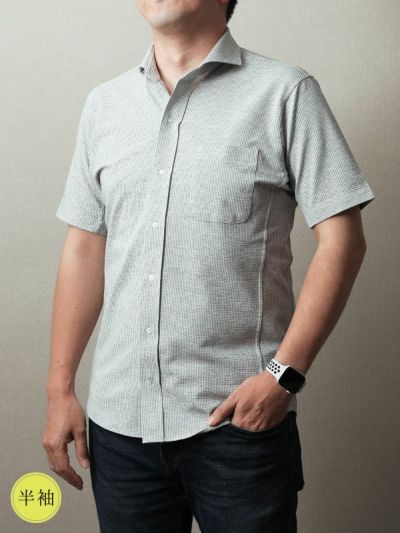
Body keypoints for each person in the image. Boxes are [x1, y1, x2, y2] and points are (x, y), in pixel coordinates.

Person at [42, 1, 376, 531]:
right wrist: (59, 389)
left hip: (239, 428)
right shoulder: (105, 105)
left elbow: (343, 242)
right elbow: (84, 248)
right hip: (120, 428)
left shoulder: (285, 93)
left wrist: (283, 376)